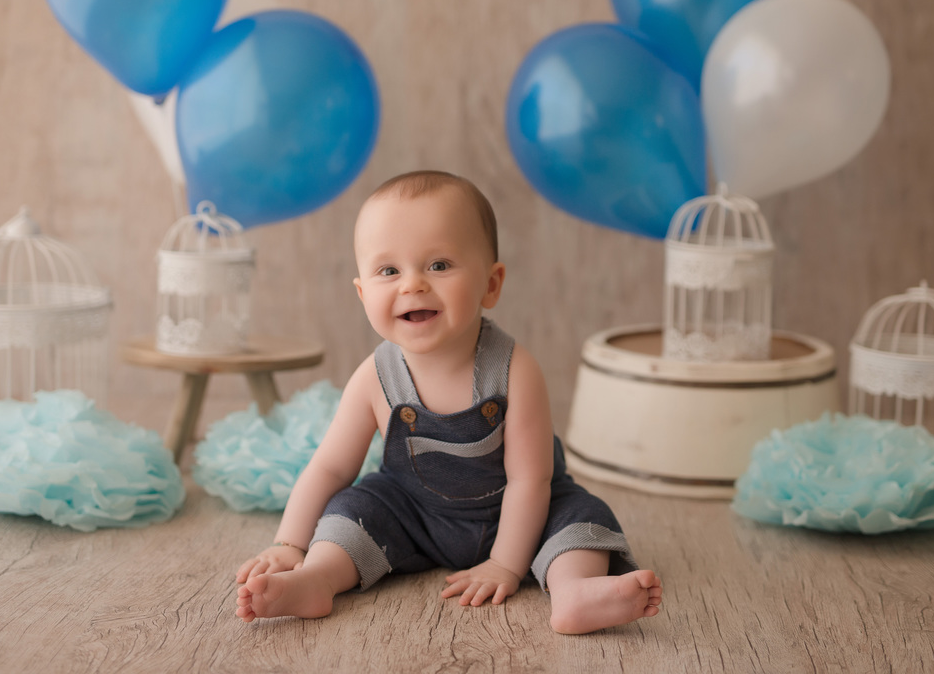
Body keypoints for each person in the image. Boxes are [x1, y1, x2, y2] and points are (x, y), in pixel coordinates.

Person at [235, 170, 662, 634]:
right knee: (354, 507)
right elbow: (329, 469)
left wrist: (505, 564)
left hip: (519, 514)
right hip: (412, 514)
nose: (413, 284)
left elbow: (530, 480)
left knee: (580, 516)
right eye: (388, 270)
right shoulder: (374, 379)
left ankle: (573, 591)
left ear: (490, 284)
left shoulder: (515, 371)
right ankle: (317, 578)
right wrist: (290, 543)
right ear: (363, 294)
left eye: (439, 265)